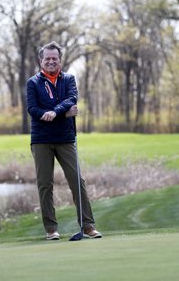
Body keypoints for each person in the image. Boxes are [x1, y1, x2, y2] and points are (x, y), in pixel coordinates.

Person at [26, 41, 102, 240]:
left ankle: (88, 226)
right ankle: (51, 229)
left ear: (60, 60)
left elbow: (71, 100)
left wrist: (54, 111)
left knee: (77, 181)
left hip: (65, 138)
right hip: (41, 140)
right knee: (45, 184)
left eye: (54, 58)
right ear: (41, 61)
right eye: (47, 59)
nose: (51, 61)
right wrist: (61, 112)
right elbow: (33, 110)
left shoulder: (69, 79)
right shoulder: (33, 82)